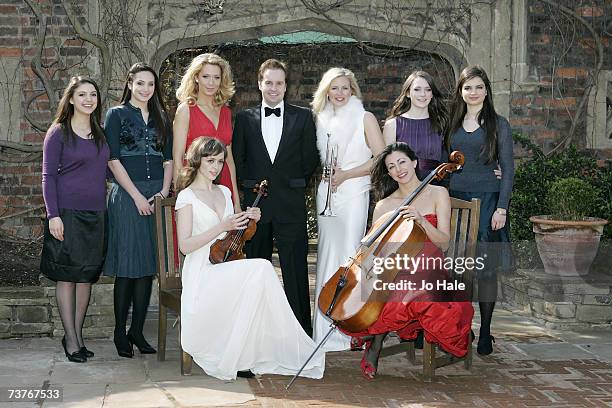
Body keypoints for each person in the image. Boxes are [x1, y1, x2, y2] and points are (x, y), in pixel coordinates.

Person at [174, 137, 325, 380]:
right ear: (197, 160)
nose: (215, 167)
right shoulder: (187, 197)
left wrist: (249, 217)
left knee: (260, 273)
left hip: (225, 265)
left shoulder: (223, 191)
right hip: (201, 271)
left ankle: (246, 352)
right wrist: (222, 224)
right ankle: (250, 350)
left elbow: (234, 233)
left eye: (220, 162)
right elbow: (185, 246)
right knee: (262, 269)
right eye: (210, 160)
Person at [340, 142, 474, 379]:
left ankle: (375, 340)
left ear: (414, 162)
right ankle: (375, 339)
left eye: (402, 162)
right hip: (399, 268)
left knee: (409, 284)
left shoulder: (438, 193)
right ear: (388, 173)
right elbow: (373, 250)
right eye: (391, 166)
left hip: (431, 266)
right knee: (386, 281)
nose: (398, 169)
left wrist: (421, 221)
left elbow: (444, 242)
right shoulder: (384, 205)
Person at [232, 59, 319, 335]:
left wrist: (295, 184)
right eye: (268, 82)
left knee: (295, 270)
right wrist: (249, 187)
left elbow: (310, 159)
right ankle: (256, 333)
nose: (273, 88)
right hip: (256, 207)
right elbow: (238, 158)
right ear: (259, 84)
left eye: (279, 83)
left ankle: (300, 334)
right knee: (256, 270)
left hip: (290, 203)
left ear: (286, 86)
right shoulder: (245, 118)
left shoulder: (303, 117)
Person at [310, 67, 385, 351]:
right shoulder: (320, 119)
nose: (339, 93)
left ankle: (349, 329)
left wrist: (347, 175)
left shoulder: (365, 117)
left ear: (352, 90)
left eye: (344, 87)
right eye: (334, 88)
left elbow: (381, 159)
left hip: (354, 192)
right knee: (328, 255)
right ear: (326, 91)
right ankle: (324, 328)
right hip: (327, 193)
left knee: (350, 256)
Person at [103, 63, 173, 358]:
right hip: (128, 196)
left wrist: (163, 192)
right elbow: (113, 160)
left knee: (147, 268)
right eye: (140, 83)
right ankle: (121, 332)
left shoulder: (161, 117)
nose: (146, 89)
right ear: (129, 83)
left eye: (151, 85)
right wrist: (136, 196)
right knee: (128, 267)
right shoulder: (116, 115)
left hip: (156, 194)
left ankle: (137, 331)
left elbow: (168, 160)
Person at [444, 65, 515, 356]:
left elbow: (508, 169)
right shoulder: (452, 123)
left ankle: (485, 331)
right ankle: (463, 329)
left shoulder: (499, 124)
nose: (473, 93)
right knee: (458, 271)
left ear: (486, 90)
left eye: (478, 87)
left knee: (485, 272)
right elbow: (444, 165)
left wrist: (502, 208)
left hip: (487, 203)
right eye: (467, 88)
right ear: (461, 92)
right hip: (455, 201)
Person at [41, 77, 109, 363]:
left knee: (85, 278)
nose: (88, 99)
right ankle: (70, 339)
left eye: (93, 94)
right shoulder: (59, 132)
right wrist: (53, 215)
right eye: (82, 94)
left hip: (96, 215)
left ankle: (78, 336)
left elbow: (106, 171)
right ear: (70, 99)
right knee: (68, 276)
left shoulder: (101, 133)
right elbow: (48, 176)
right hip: (67, 214)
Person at [173, 53, 240, 211]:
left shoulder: (225, 112)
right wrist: (181, 197)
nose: (211, 83)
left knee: (224, 235)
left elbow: (229, 160)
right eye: (206, 76)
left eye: (216, 77)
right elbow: (177, 158)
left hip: (224, 185)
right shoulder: (186, 110)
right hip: (195, 185)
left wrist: (236, 200)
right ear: (196, 77)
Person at [382, 70, 448, 180]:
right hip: (403, 187)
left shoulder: (442, 123)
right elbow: (386, 165)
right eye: (417, 89)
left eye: (428, 90)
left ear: (432, 94)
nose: (423, 94)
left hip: (435, 186)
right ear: (408, 93)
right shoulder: (393, 124)